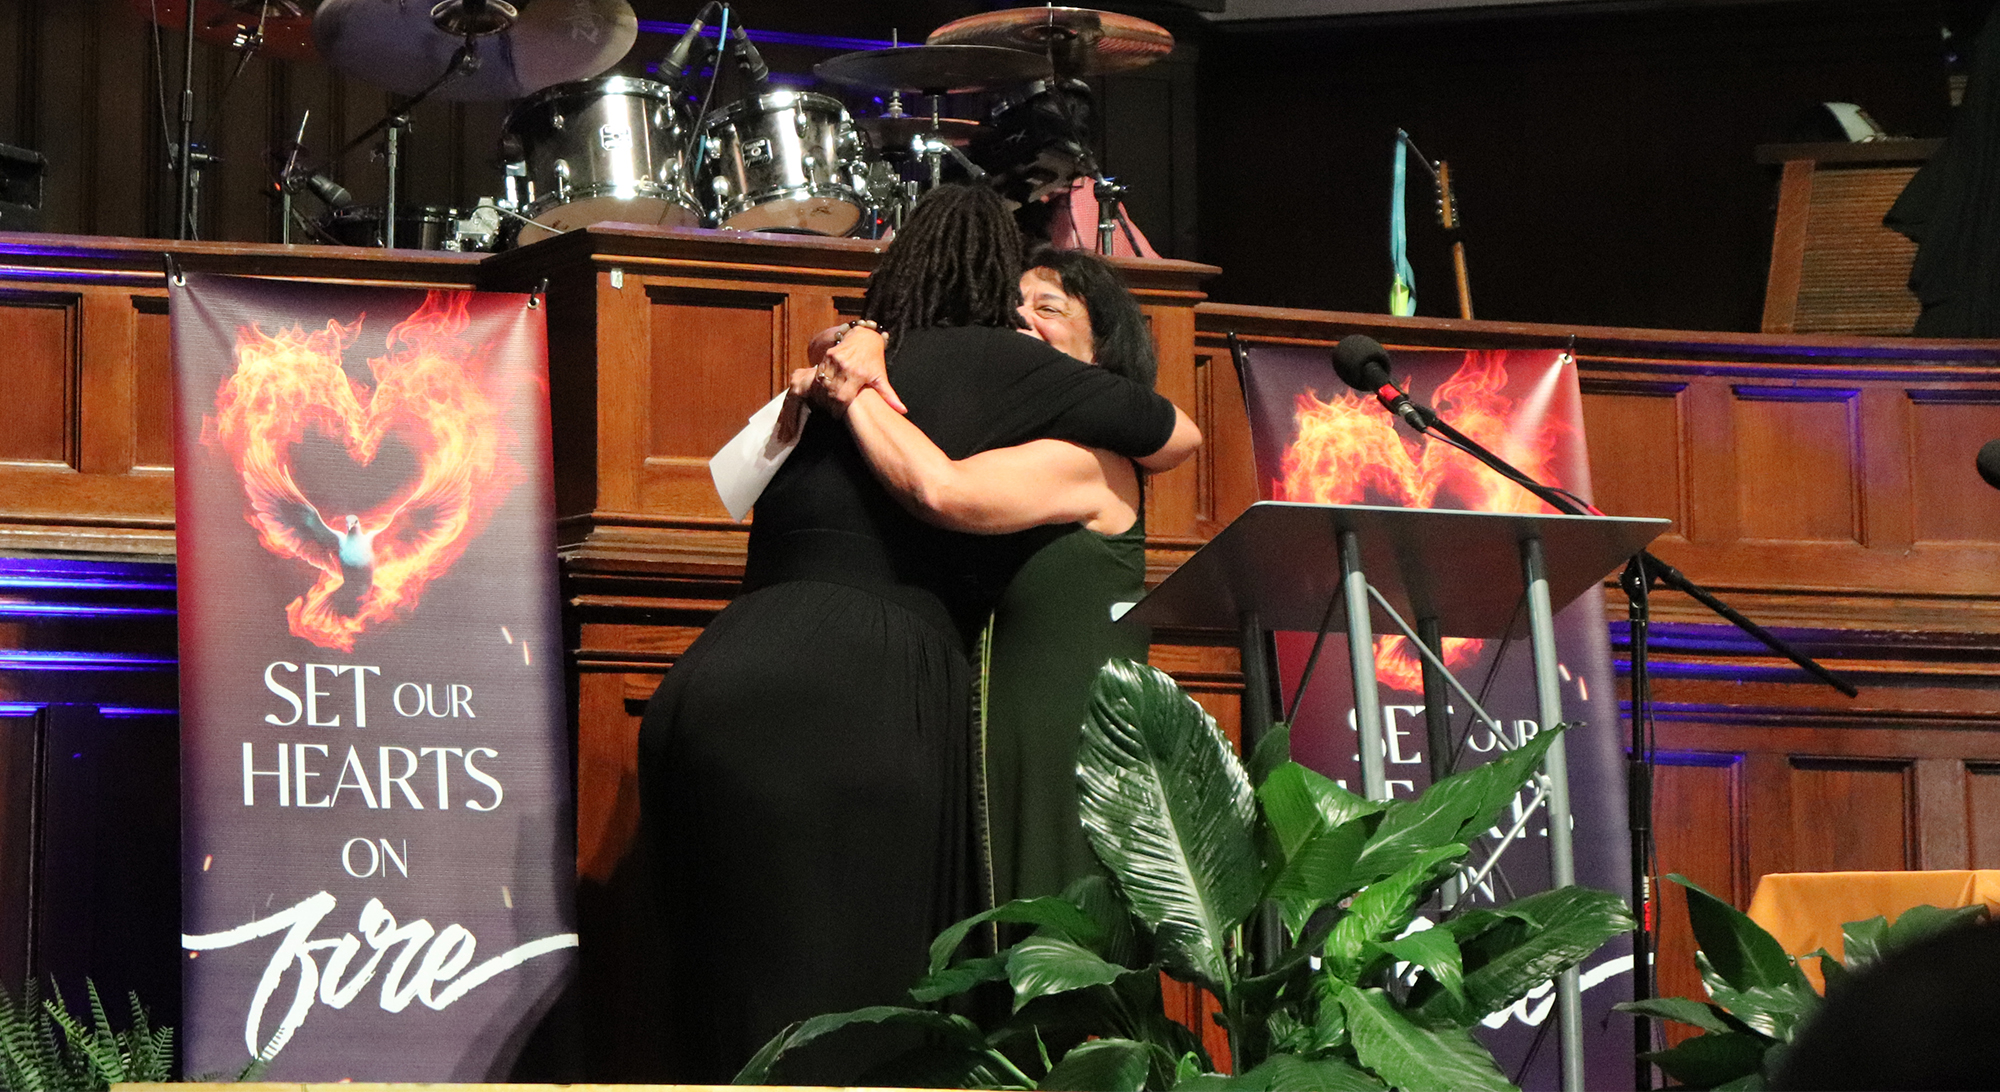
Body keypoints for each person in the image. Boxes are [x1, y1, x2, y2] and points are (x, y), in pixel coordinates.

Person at [636, 186, 1196, 1085]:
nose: (1024, 318)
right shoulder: (995, 369)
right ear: (989, 286)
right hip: (858, 692)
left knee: (720, 1000)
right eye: (1019, 298)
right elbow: (1176, 432)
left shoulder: (825, 381)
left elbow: (729, 488)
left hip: (715, 671)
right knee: (865, 1015)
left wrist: (850, 376)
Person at [807, 248, 1166, 905]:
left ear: (1104, 358)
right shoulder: (1009, 436)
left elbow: (940, 489)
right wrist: (861, 338)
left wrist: (851, 393)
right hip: (989, 739)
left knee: (1056, 950)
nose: (1021, 318)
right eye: (1014, 306)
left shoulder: (1089, 457)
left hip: (1064, 755)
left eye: (1048, 307)